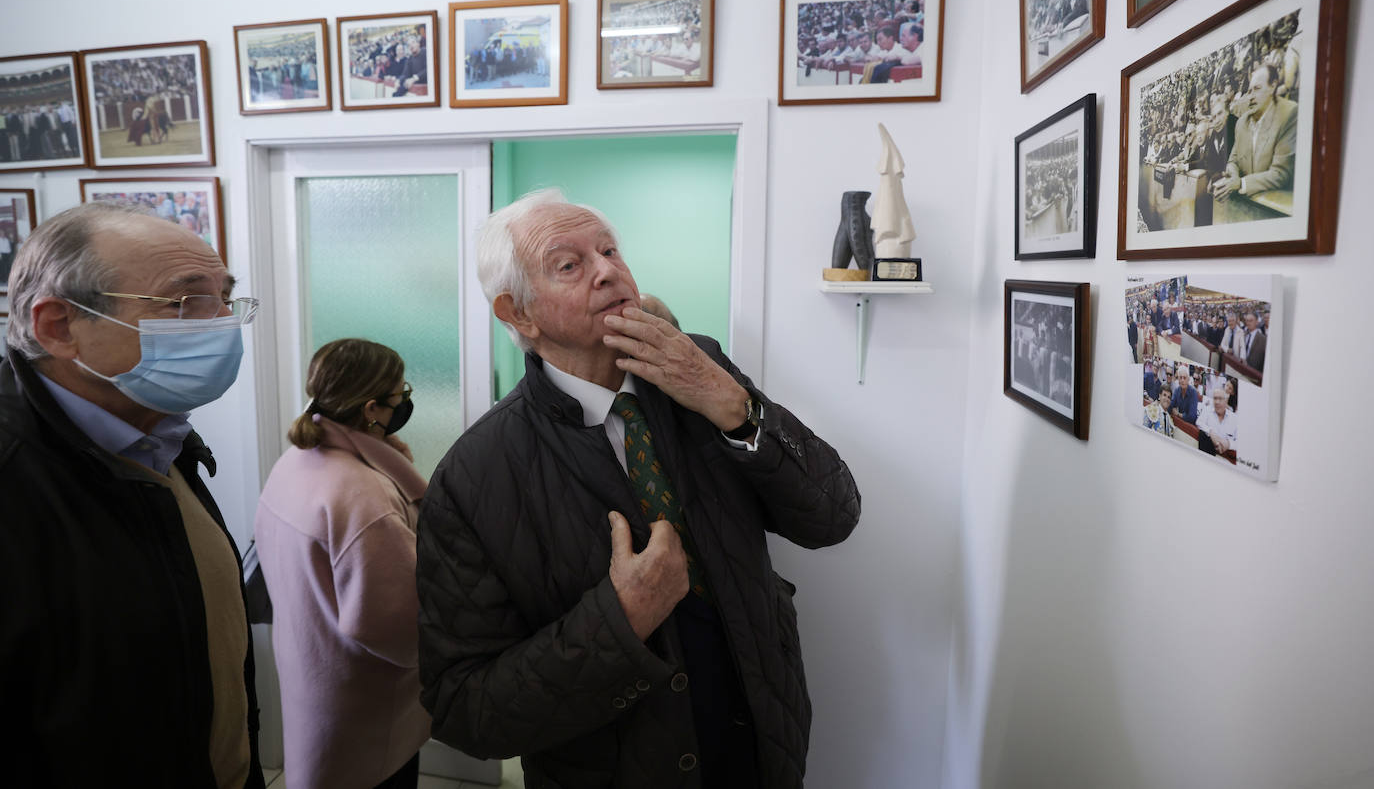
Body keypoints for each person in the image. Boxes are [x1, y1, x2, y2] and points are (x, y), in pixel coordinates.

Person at [416, 190, 860, 788]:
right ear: (518, 314)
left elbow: (832, 516)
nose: (607, 271)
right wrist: (619, 621)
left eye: (609, 250)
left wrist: (734, 405)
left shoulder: (701, 369)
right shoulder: (473, 476)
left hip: (764, 745)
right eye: (569, 265)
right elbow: (464, 711)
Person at [0, 201, 265, 787]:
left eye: (224, 297)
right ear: (59, 327)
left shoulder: (159, 436)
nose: (223, 320)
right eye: (186, 301)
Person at [254, 339, 431, 789]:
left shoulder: (296, 461)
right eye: (400, 396)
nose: (405, 403)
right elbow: (397, 625)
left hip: (311, 668)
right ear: (372, 409)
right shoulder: (362, 495)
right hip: (363, 703)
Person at [1214, 62, 1299, 203]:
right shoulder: (1241, 122)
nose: (1251, 96)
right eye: (1249, 91)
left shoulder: (1289, 114)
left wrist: (1240, 184)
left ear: (1273, 86)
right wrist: (1233, 175)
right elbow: (1233, 161)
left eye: (1257, 89)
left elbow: (1281, 174)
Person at [1196, 386, 1238, 456]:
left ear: (1226, 400)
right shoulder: (1207, 410)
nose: (1217, 402)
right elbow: (1199, 422)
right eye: (1215, 398)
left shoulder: (1234, 419)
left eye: (1220, 399)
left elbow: (1241, 443)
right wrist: (1211, 432)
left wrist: (1228, 444)